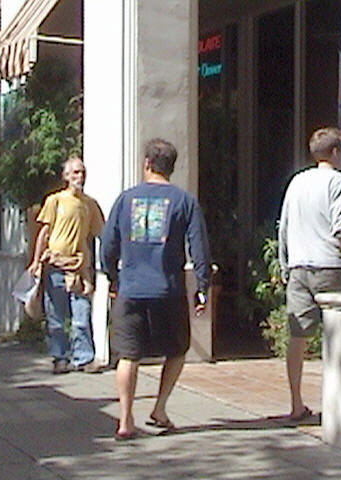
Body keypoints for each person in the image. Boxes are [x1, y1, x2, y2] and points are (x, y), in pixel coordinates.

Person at [101, 138, 211, 440]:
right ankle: (160, 406)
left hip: (131, 288)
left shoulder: (125, 199)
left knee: (127, 354)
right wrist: (202, 287)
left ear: (146, 163)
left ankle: (125, 420)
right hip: (168, 289)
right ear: (171, 167)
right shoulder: (185, 201)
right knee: (177, 350)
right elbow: (199, 248)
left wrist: (112, 276)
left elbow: (108, 243)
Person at [278, 127, 341, 421]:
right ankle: (339, 404)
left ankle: (296, 401)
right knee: (339, 335)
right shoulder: (338, 182)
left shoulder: (297, 182)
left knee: (298, 337)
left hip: (299, 265)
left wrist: (285, 264)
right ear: (335, 152)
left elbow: (283, 225)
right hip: (331, 264)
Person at [28, 156, 105, 374]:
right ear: (65, 176)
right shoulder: (55, 201)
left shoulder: (90, 204)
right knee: (56, 317)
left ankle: (84, 358)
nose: (80, 177)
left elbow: (101, 233)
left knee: (81, 315)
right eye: (75, 173)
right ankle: (59, 358)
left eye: (82, 172)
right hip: (55, 266)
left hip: (79, 268)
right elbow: (44, 232)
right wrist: (35, 261)